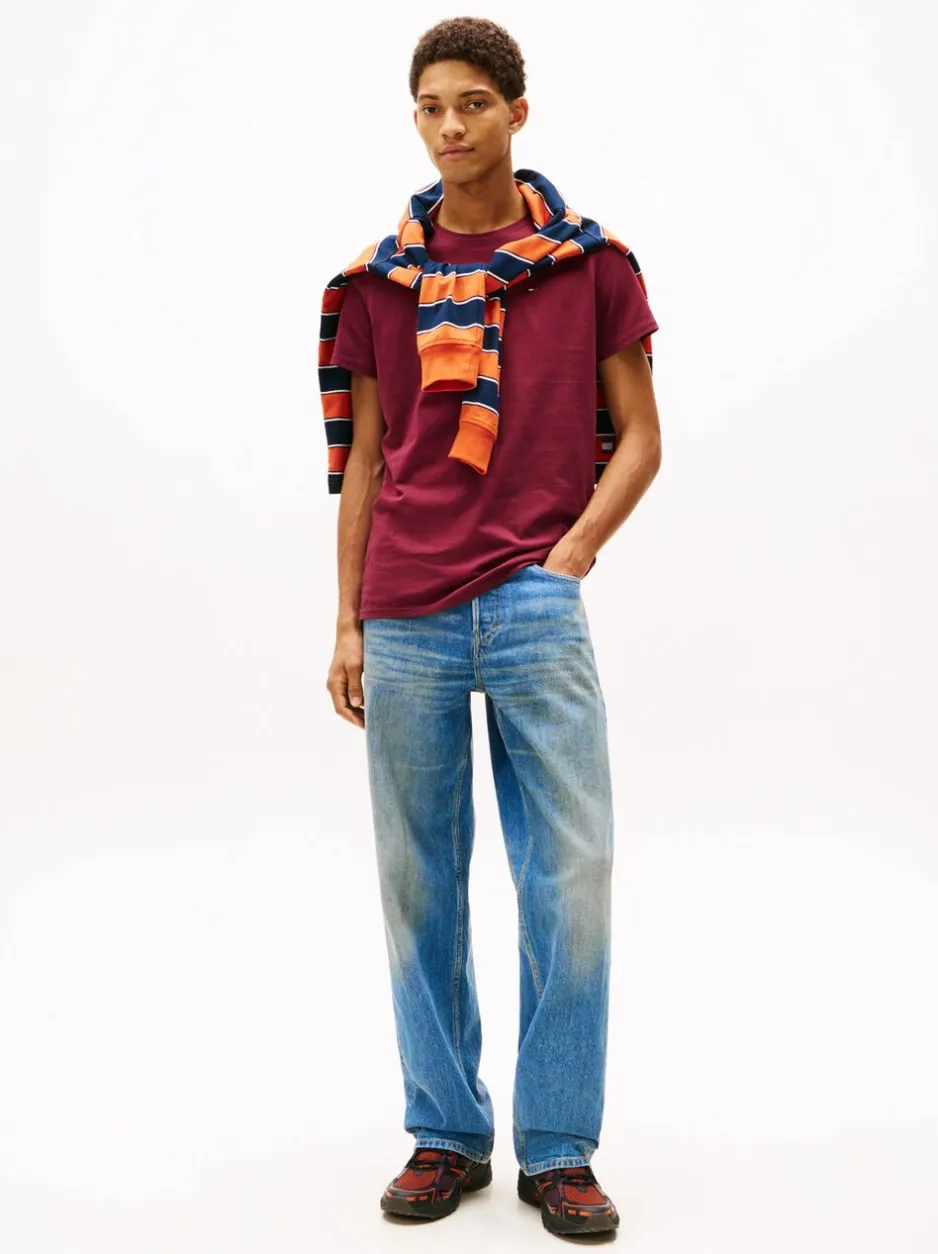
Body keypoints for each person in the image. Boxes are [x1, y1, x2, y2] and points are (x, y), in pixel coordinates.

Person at [323, 16, 661, 1238]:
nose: (450, 126)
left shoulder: (591, 266)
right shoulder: (380, 283)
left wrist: (566, 560)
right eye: (430, 106)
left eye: (472, 102)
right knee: (417, 883)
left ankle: (558, 1148)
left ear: (517, 110)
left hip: (531, 599)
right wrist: (348, 620)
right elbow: (365, 463)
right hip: (405, 607)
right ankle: (445, 1134)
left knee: (570, 877)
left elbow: (642, 438)